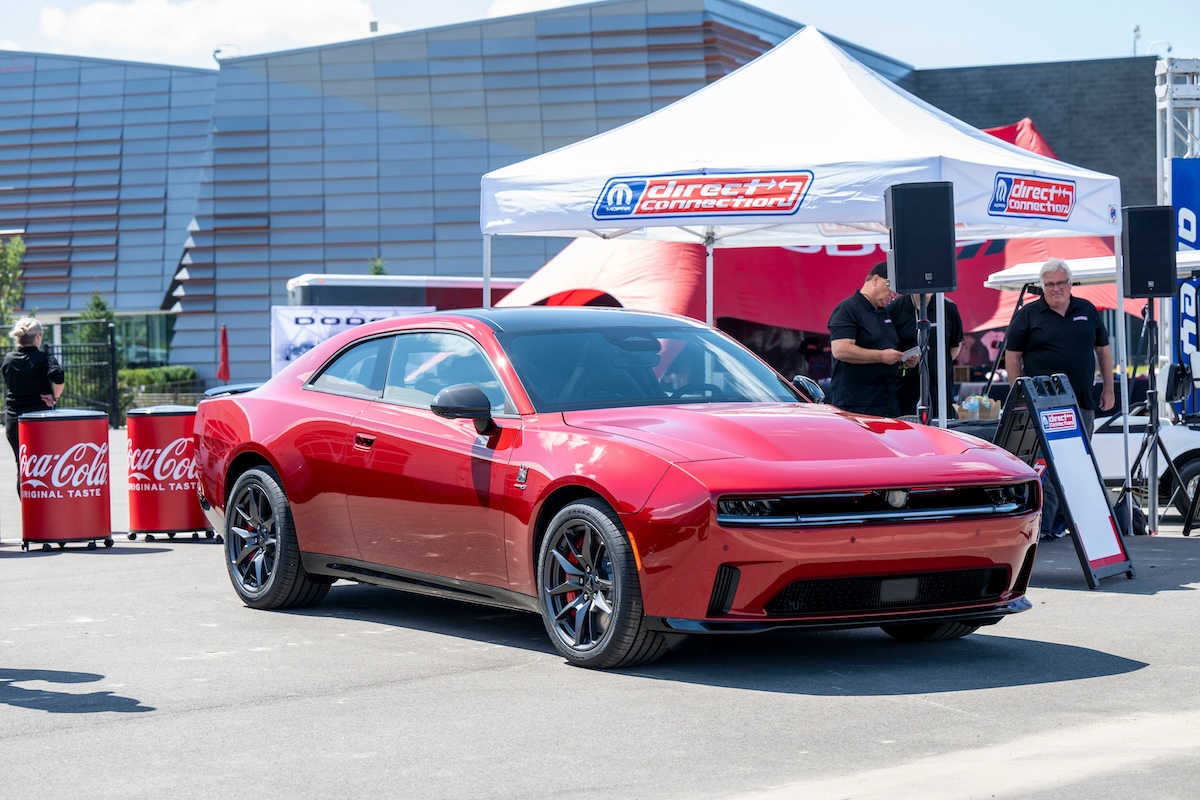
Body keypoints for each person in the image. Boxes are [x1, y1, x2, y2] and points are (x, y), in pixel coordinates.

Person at [1004, 257, 1114, 539]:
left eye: (1060, 283)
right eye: (1049, 284)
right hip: (1040, 405)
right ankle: (1046, 523)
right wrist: (1019, 391)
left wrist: (1109, 388)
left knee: (1079, 463)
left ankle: (1068, 523)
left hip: (1081, 401)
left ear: (1069, 283)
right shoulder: (1029, 314)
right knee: (1046, 465)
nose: (1055, 289)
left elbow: (1103, 350)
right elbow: (1013, 355)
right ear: (1042, 286)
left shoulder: (1086, 310)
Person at [827, 262, 918, 416]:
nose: (892, 295)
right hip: (857, 402)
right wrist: (881, 356)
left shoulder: (884, 313)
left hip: (887, 400)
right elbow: (841, 350)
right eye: (890, 289)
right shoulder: (848, 309)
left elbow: (883, 351)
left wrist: (901, 362)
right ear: (876, 280)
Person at [886, 292, 964, 419]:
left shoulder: (947, 307)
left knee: (941, 428)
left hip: (939, 387)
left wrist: (940, 363)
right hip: (904, 386)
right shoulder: (894, 309)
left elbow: (955, 344)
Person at [2, 318, 65, 470]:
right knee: (44, 468)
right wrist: (54, 397)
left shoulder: (9, 359)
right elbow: (58, 377)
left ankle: (22, 495)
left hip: (14, 418)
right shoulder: (44, 358)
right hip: (40, 419)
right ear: (38, 336)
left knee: (23, 468)